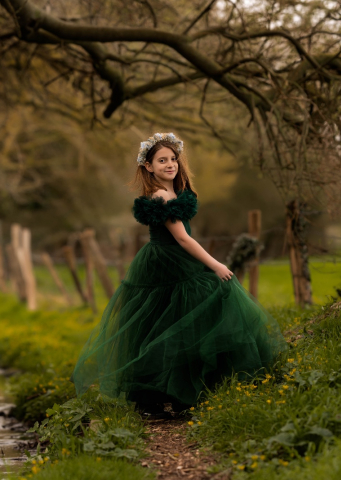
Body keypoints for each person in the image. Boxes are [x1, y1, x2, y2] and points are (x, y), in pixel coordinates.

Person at [71, 132, 288, 419]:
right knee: (188, 314)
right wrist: (216, 265)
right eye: (162, 160)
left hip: (170, 261)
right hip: (168, 262)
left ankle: (168, 396)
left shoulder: (172, 192)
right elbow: (183, 239)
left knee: (167, 325)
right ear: (148, 167)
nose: (170, 164)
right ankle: (179, 394)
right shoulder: (162, 195)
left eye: (173, 159)